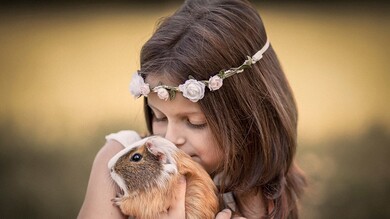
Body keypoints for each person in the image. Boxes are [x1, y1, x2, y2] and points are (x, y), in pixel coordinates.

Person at [78, 0, 306, 218]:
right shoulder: (118, 161)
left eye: (194, 122)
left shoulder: (259, 196)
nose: (169, 138)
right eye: (159, 117)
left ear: (246, 118)